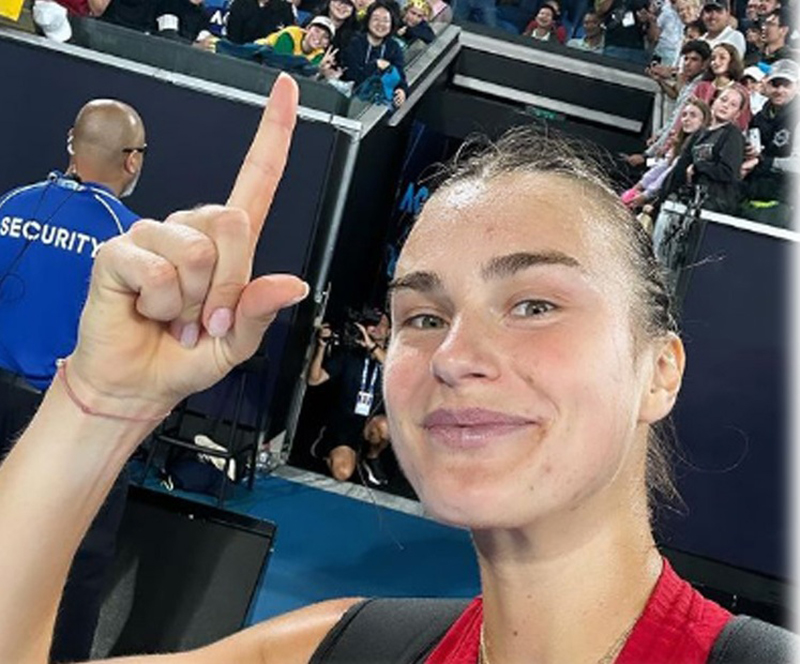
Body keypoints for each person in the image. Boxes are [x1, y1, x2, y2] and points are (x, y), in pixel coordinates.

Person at [0, 74, 795, 664]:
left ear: (660, 370)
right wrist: (97, 404)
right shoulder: (340, 648)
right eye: (424, 316)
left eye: (534, 304)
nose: (455, 356)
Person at [0, 99, 145, 663]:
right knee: (76, 562)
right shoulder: (127, 238)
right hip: (62, 420)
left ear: (70, 142)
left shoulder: (12, 205)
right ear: (131, 160)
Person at [307, 309, 390, 484]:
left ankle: (371, 457)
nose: (375, 328)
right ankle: (328, 448)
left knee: (385, 427)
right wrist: (321, 346)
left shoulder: (392, 360)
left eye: (381, 324)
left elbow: (394, 370)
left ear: (389, 332)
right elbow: (314, 380)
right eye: (372, 324)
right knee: (342, 473)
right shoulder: (350, 355)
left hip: (369, 423)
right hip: (344, 423)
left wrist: (372, 346)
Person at [662, 84, 747, 213]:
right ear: (714, 101)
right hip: (690, 200)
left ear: (737, 114)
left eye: (733, 105)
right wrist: (661, 198)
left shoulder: (733, 135)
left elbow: (728, 172)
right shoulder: (699, 134)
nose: (726, 106)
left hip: (714, 205)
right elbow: (680, 167)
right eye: (723, 100)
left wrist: (698, 167)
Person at [740, 58, 798, 226]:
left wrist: (763, 161)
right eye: (775, 84)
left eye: (786, 85)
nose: (780, 90)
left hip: (784, 203)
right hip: (752, 195)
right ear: (765, 85)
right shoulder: (759, 117)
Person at [341, 0, 409, 107]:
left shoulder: (393, 47)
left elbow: (400, 76)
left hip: (380, 103)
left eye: (385, 20)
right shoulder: (354, 42)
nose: (380, 24)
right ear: (368, 20)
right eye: (376, 19)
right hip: (352, 102)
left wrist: (402, 90)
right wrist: (376, 65)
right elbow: (353, 76)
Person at [692, 42, 751, 130]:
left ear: (732, 62)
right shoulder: (701, 87)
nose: (716, 62)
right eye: (713, 58)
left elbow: (742, 124)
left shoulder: (741, 91)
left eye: (722, 58)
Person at [226, 0, 295, 43]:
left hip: (272, 58)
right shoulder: (240, 4)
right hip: (242, 54)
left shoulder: (285, 8)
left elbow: (290, 38)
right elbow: (233, 38)